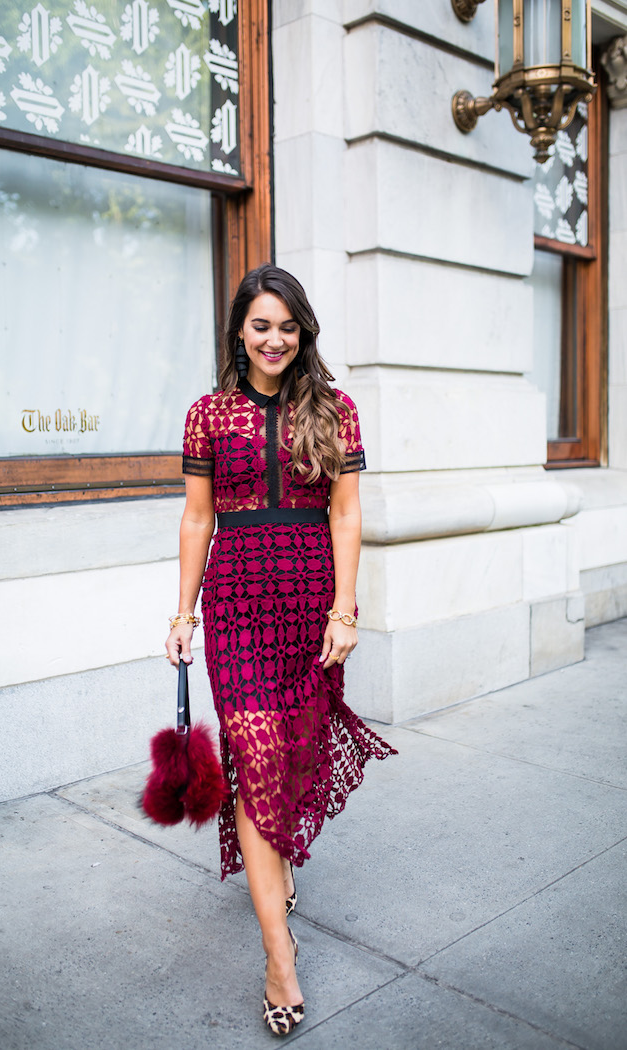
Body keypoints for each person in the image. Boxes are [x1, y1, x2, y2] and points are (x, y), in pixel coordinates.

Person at [165, 264, 397, 1035]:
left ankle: (277, 861)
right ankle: (279, 955)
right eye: (261, 325)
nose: (274, 339)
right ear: (239, 329)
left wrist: (345, 610)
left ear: (304, 334)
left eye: (288, 326)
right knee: (256, 754)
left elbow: (347, 516)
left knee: (291, 757)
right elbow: (198, 518)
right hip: (236, 604)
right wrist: (182, 612)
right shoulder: (208, 415)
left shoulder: (336, 411)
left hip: (308, 603)